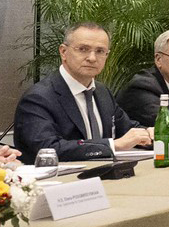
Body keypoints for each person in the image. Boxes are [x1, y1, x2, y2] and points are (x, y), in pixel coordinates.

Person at [12, 22, 153, 160]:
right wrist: (112, 145)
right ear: (63, 52)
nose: (92, 58)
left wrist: (148, 133)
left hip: (105, 176)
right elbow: (47, 149)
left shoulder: (102, 92)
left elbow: (127, 129)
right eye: (83, 49)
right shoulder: (39, 97)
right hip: (61, 181)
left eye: (100, 51)